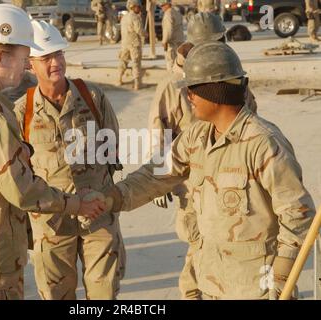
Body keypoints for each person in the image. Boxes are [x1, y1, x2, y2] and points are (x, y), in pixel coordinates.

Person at [102, 41, 315, 300]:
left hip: (254, 290)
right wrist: (109, 198)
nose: (188, 97)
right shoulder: (197, 137)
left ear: (215, 92)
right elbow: (155, 175)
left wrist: (280, 282)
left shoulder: (263, 144)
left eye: (192, 90)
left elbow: (298, 214)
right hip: (211, 283)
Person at [0, 4, 105, 300]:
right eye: (24, 58)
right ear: (0, 57)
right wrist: (75, 205)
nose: (26, 67)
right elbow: (22, 189)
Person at [148, 11, 257, 299]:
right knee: (199, 245)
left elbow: (248, 117)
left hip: (232, 180)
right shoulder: (174, 85)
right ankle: (193, 293)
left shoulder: (228, 69)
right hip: (193, 180)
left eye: (219, 42)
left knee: (225, 243)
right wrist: (161, 176)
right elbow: (158, 130)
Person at [13, 20, 126, 300]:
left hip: (99, 217)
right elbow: (20, 175)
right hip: (52, 225)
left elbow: (113, 151)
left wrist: (108, 196)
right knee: (56, 295)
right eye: (47, 57)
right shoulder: (22, 112)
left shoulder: (92, 96)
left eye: (59, 54)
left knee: (104, 294)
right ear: (29, 63)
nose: (56, 63)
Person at [118, 0, 144, 90]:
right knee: (136, 63)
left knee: (123, 61)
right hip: (134, 44)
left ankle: (119, 79)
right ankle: (137, 84)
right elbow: (139, 30)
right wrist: (146, 34)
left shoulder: (124, 18)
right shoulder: (135, 18)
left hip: (124, 43)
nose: (140, 9)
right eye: (138, 7)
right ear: (134, 7)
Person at [157, 0, 185, 71]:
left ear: (167, 5)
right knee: (179, 64)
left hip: (172, 44)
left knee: (171, 64)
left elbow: (168, 30)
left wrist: (164, 41)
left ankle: (172, 80)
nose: (162, 8)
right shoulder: (176, 12)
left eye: (162, 5)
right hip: (179, 42)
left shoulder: (168, 14)